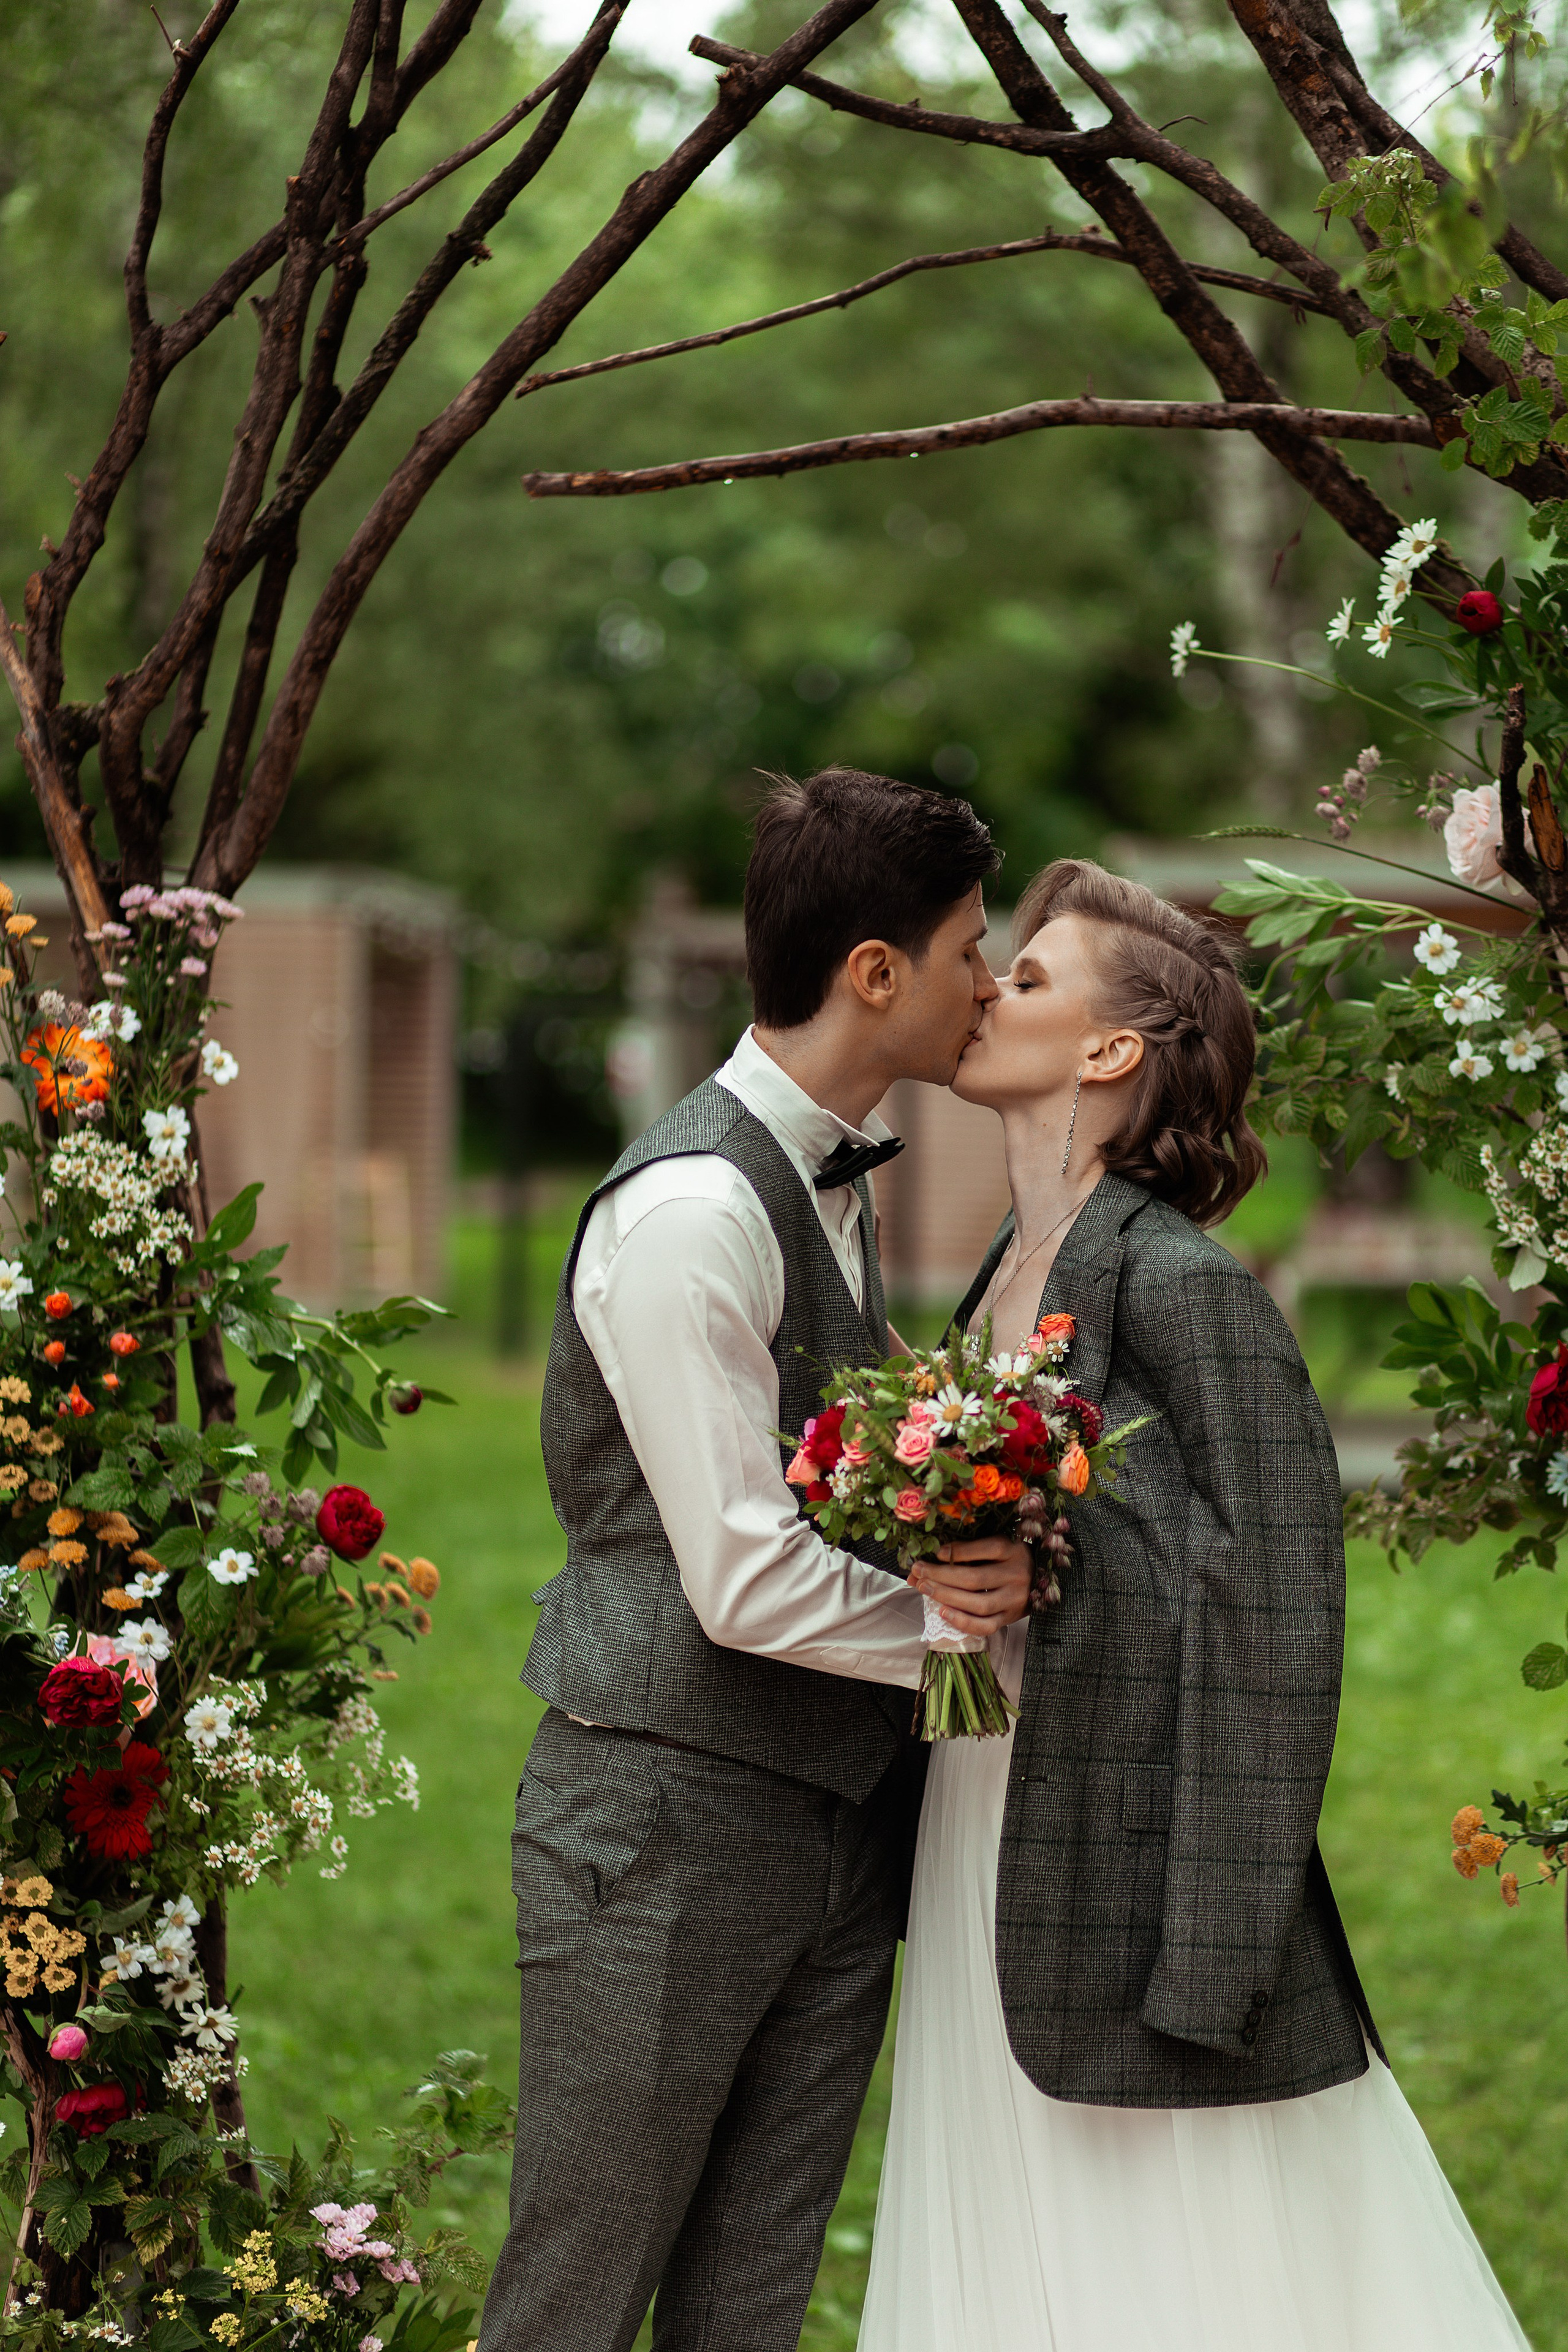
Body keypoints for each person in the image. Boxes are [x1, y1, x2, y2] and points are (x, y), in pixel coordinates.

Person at [860, 858, 1530, 2352]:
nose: (986, 989)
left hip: (1135, 1851)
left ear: (1109, 1052)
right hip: (990, 1816)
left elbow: (1277, 1618)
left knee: (1173, 2269)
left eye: (1025, 977)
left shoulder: (1184, 1287)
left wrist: (1210, 1960)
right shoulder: (997, 1272)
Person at [477, 767, 1036, 2352]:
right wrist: (963, 1634)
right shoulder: (696, 1210)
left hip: (836, 1830)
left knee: (750, 2305)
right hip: (657, 1828)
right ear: (877, 973)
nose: (988, 983)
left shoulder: (827, 1183)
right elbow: (739, 1574)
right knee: (576, 2296)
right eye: (970, 950)